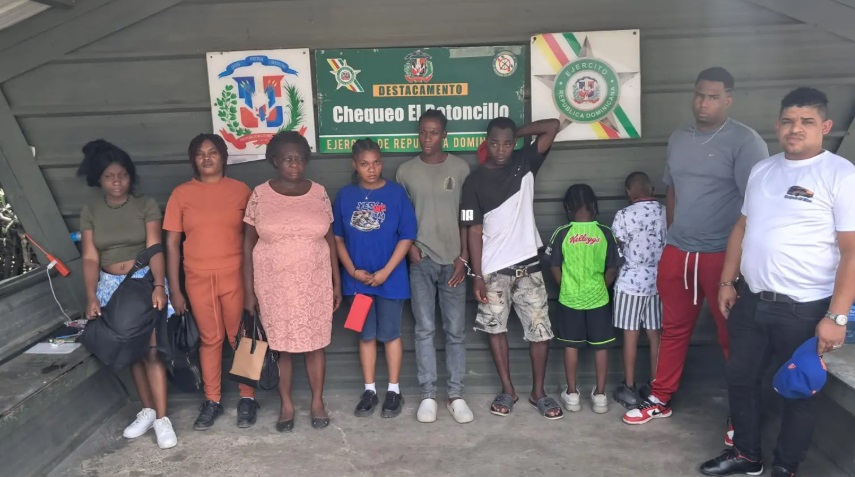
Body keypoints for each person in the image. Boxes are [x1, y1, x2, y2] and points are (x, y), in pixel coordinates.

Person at [699, 88, 855, 477]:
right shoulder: (763, 171)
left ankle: (786, 467)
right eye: (788, 121)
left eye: (806, 121)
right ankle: (747, 455)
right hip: (752, 301)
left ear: (825, 126)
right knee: (741, 379)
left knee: (798, 389)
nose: (795, 128)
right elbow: (743, 227)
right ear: (777, 125)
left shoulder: (840, 175)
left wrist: (836, 317)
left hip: (805, 309)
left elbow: (851, 252)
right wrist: (727, 281)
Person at [623, 68, 769, 443]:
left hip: (722, 255)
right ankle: (660, 397)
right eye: (699, 95)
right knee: (674, 329)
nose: (704, 103)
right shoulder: (679, 138)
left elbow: (756, 206)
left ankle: (741, 415)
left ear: (729, 99)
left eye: (713, 97)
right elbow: (672, 190)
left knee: (732, 336)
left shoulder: (745, 142)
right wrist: (674, 234)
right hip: (679, 252)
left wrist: (740, 262)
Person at [460, 116, 561, 419]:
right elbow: (474, 230)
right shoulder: (474, 180)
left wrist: (517, 132)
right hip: (492, 270)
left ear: (514, 143)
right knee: (495, 329)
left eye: (507, 143)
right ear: (486, 143)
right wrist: (477, 275)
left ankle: (539, 392)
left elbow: (552, 126)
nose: (501, 149)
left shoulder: (525, 162)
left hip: (529, 266)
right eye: (495, 143)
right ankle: (508, 390)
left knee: (540, 332)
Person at [77, 140, 177, 449]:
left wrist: (158, 285)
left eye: (122, 175)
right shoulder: (91, 211)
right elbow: (90, 257)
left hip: (143, 282)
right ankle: (147, 410)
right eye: (109, 176)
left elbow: (155, 247)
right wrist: (91, 295)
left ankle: (162, 419)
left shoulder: (145, 205)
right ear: (99, 179)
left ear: (130, 176)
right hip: (109, 285)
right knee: (130, 350)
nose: (117, 181)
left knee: (152, 351)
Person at [243, 131, 342, 432]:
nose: (295, 164)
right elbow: (247, 245)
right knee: (280, 346)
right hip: (274, 285)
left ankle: (317, 402)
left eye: (300, 158)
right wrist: (249, 291)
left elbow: (330, 240)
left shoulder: (319, 193)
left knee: (315, 345)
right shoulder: (260, 194)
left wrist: (336, 282)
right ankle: (285, 404)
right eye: (288, 159)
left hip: (314, 283)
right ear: (275, 161)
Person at [164, 133, 258, 431]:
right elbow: (171, 244)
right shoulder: (181, 194)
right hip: (197, 278)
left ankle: (248, 398)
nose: (206, 158)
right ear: (193, 159)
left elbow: (253, 239)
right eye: (200, 153)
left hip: (235, 274)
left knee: (242, 337)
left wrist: (254, 284)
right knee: (209, 340)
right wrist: (175, 289)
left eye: (213, 152)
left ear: (224, 157)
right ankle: (212, 400)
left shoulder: (241, 190)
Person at [396, 109, 474, 424]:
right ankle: (428, 395)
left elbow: (468, 214)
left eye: (433, 132)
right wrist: (410, 249)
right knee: (424, 329)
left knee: (455, 331)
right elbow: (401, 216)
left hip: (454, 261)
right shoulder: (405, 172)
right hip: (422, 260)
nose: (427, 138)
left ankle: (456, 395)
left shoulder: (461, 168)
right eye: (422, 132)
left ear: (444, 135)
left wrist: (464, 256)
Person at [333, 138, 417, 419]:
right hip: (357, 284)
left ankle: (394, 390)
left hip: (390, 281)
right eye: (364, 164)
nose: (371, 169)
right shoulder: (345, 196)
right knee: (366, 335)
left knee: (391, 334)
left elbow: (407, 236)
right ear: (354, 165)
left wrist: (386, 272)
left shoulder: (395, 194)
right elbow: (338, 238)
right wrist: (352, 271)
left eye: (376, 163)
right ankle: (369, 390)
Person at [548, 184, 620, 414]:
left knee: (570, 345)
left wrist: (566, 286)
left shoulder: (562, 233)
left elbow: (554, 266)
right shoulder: (605, 232)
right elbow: (612, 268)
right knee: (601, 347)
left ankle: (572, 395)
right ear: (594, 205)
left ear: (567, 207)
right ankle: (600, 396)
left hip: (570, 298)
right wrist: (600, 288)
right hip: (599, 299)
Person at [611, 172, 666, 408]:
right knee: (656, 335)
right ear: (652, 189)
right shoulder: (666, 212)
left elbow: (616, 249)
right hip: (659, 281)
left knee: (630, 334)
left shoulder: (624, 215)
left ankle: (629, 387)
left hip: (630, 282)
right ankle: (655, 386)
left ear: (628, 191)